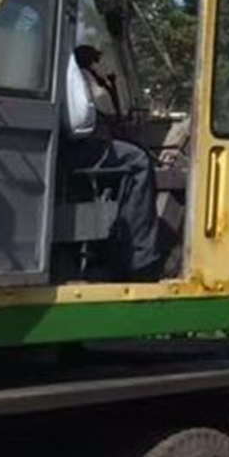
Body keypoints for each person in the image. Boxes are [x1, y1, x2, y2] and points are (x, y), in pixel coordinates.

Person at [62, 39, 163, 281]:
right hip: (69, 150)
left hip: (53, 146)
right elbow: (78, 119)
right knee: (137, 161)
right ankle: (140, 260)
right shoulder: (61, 56)